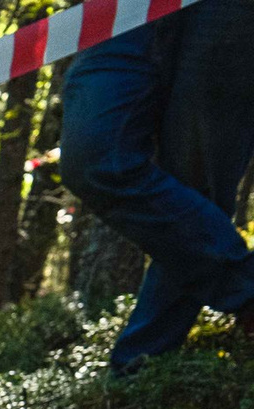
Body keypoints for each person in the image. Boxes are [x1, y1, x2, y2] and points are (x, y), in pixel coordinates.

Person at [60, 0, 254, 371]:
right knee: (93, 158)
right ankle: (244, 285)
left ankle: (137, 372)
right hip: (123, 10)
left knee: (198, 185)